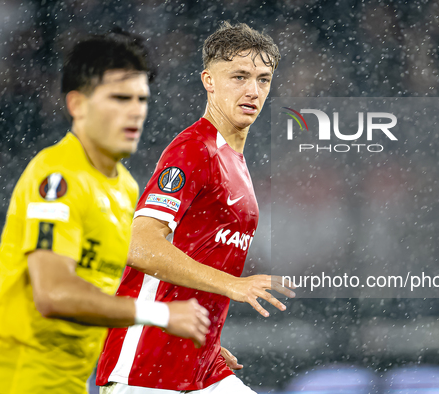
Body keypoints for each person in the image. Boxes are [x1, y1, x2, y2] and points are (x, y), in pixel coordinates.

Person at [0, 30, 210, 394]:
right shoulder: (58, 176)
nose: (135, 110)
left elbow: (108, 301)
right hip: (14, 382)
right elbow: (54, 294)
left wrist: (196, 347)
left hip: (69, 385)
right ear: (77, 105)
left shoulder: (124, 187)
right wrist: (161, 315)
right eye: (119, 98)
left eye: (141, 99)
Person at [96, 22, 295, 393]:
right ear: (209, 80)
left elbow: (197, 251)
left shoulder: (234, 160)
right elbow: (138, 246)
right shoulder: (193, 149)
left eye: (263, 79)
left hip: (199, 365)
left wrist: (210, 340)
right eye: (239, 76)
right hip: (146, 367)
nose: (253, 90)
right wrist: (232, 285)